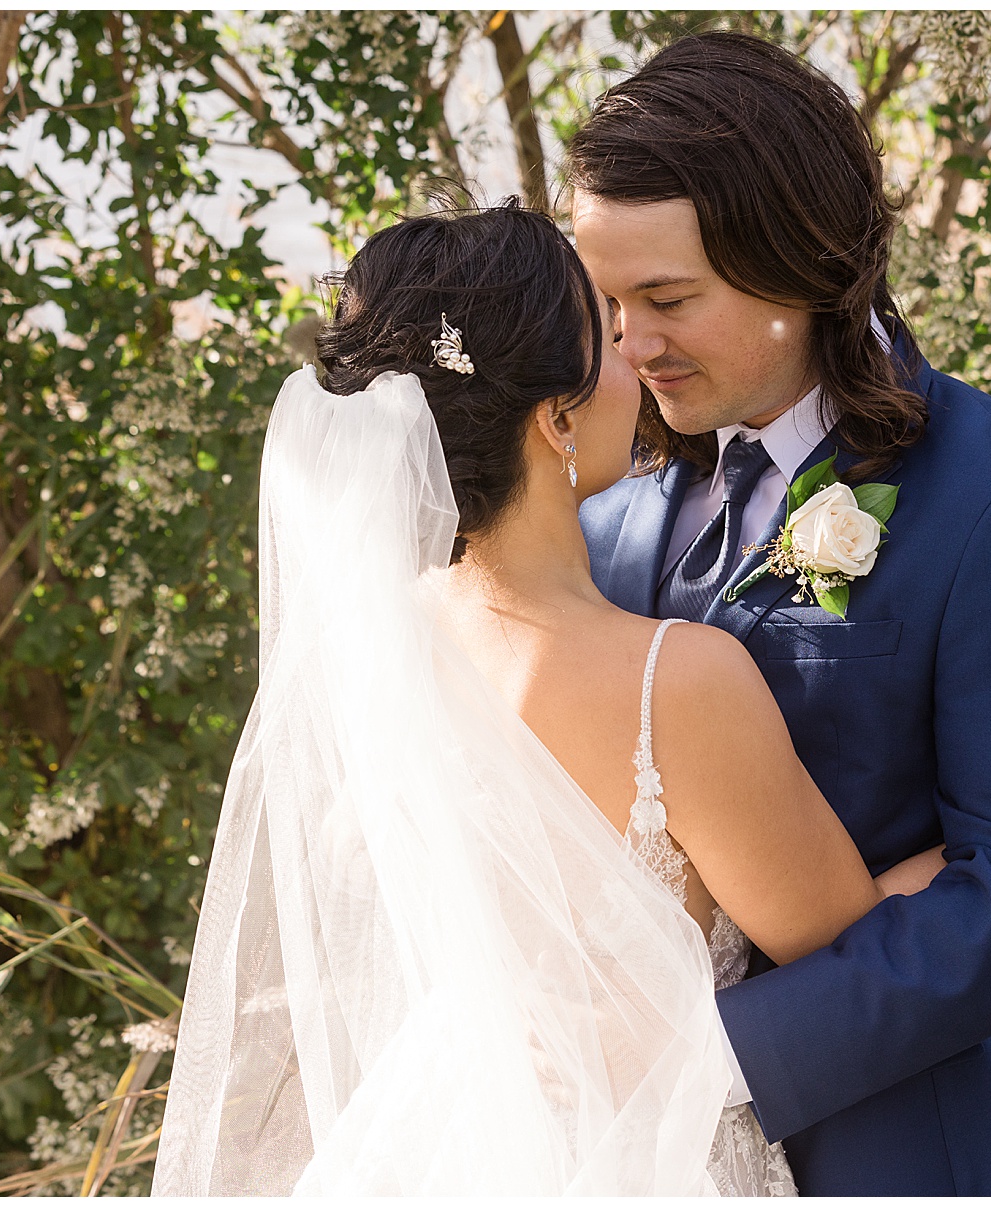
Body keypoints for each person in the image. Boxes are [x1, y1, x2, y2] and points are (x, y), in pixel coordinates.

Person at [151, 201, 944, 1195]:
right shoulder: (674, 684)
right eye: (605, 332)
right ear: (556, 418)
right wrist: (989, 846)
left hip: (438, 1147)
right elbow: (848, 945)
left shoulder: (381, 655)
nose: (636, 354)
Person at [567, 31, 991, 1196]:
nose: (631, 344)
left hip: (914, 1155)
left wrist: (720, 1055)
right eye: (609, 301)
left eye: (667, 298)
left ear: (802, 262)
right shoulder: (604, 522)